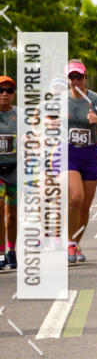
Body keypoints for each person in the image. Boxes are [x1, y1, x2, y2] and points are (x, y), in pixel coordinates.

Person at [67, 60, 97, 263]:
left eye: (79, 76)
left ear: (85, 77)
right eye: (72, 77)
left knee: (85, 205)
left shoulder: (96, 98)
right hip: (68, 152)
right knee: (75, 198)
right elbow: (44, 122)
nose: (76, 80)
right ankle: (69, 242)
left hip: (91, 153)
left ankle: (76, 244)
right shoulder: (60, 99)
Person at [0, 76, 18, 271]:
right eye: (1, 90)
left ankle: (11, 251)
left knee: (12, 214)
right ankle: (0, 251)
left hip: (15, 171)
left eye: (8, 91)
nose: (4, 94)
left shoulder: (20, 115)